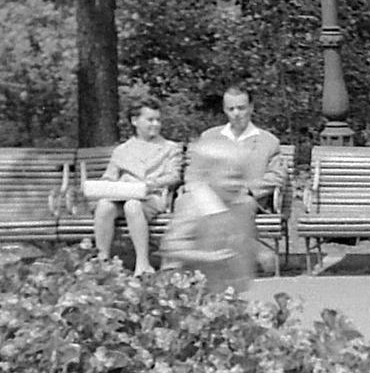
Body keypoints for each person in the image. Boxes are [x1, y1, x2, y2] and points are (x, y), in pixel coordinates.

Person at [198, 87, 288, 273]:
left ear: (251, 108)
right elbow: (197, 170)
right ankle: (175, 264)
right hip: (213, 196)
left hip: (249, 198)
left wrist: (248, 189)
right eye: (231, 109)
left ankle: (230, 262)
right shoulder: (209, 137)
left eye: (241, 108)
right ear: (224, 110)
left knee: (241, 204)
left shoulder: (268, 141)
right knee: (188, 203)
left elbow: (277, 176)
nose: (236, 114)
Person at [93, 102, 183, 274]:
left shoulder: (170, 148)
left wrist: (152, 184)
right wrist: (113, 187)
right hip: (123, 196)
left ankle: (142, 264)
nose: (155, 124)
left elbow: (174, 176)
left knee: (132, 205)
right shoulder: (122, 150)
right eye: (150, 120)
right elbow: (109, 177)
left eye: (158, 120)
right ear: (135, 121)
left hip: (153, 197)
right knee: (104, 205)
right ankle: (102, 261)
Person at [159, 135, 256, 294]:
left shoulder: (242, 205)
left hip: (226, 282)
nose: (235, 184)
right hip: (188, 285)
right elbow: (171, 246)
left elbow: (245, 235)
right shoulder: (195, 204)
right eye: (229, 178)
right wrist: (206, 256)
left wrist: (260, 252)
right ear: (207, 176)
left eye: (240, 178)